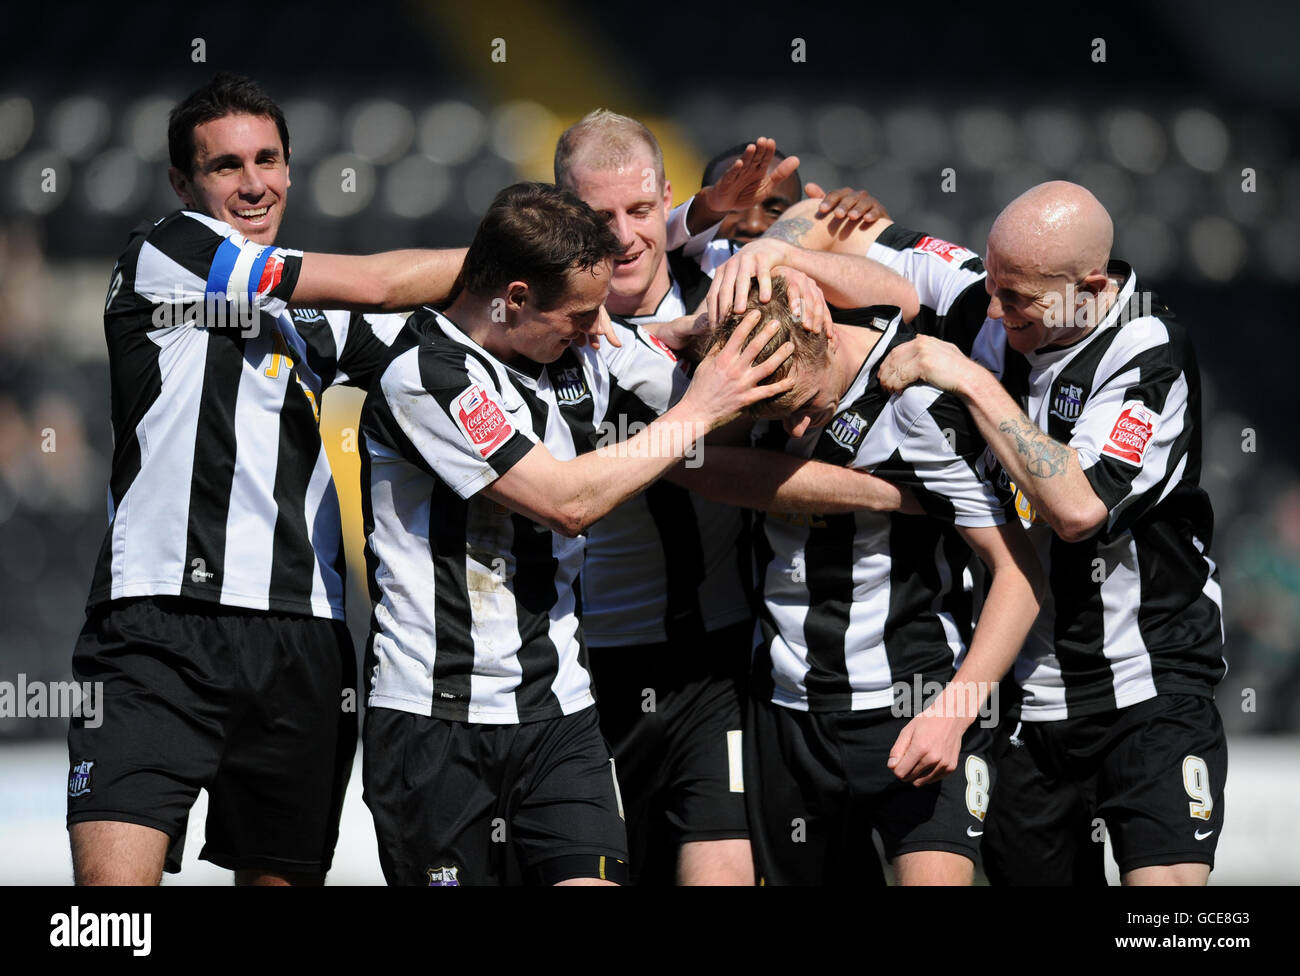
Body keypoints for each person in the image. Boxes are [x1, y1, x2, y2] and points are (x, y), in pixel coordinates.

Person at [67, 72, 467, 886]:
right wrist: (521, 244)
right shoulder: (167, 253)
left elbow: (472, 333)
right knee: (110, 918)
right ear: (184, 183)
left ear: (290, 168)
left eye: (269, 160)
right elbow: (386, 283)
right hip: (157, 630)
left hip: (303, 638)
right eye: (226, 167)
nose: (253, 183)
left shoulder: (320, 316)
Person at [358, 181, 796, 885]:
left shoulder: (573, 350)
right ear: (518, 297)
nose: (597, 326)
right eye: (581, 312)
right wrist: (701, 407)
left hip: (561, 711)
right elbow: (565, 502)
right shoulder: (428, 377)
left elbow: (687, 384)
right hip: (438, 720)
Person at [552, 109, 918, 883]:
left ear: (667, 199)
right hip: (585, 667)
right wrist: (876, 494)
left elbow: (899, 296)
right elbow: (694, 466)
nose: (624, 238)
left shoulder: (729, 272)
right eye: (599, 217)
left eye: (641, 211)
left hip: (720, 659)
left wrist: (790, 265)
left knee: (720, 867)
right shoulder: (552, 335)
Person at [876, 181, 1228, 885]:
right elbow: (861, 248)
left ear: (1088, 287)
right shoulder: (995, 293)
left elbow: (1077, 510)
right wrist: (757, 238)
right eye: (993, 284)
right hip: (1027, 703)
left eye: (1019, 301)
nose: (995, 310)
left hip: (1148, 685)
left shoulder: (1147, 351)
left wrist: (968, 379)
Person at [683, 276, 1043, 885]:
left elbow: (1019, 573)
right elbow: (686, 462)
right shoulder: (746, 376)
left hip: (915, 700)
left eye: (802, 403)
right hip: (789, 713)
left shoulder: (919, 408)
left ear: (825, 333)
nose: (793, 428)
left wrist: (952, 714)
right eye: (773, 413)